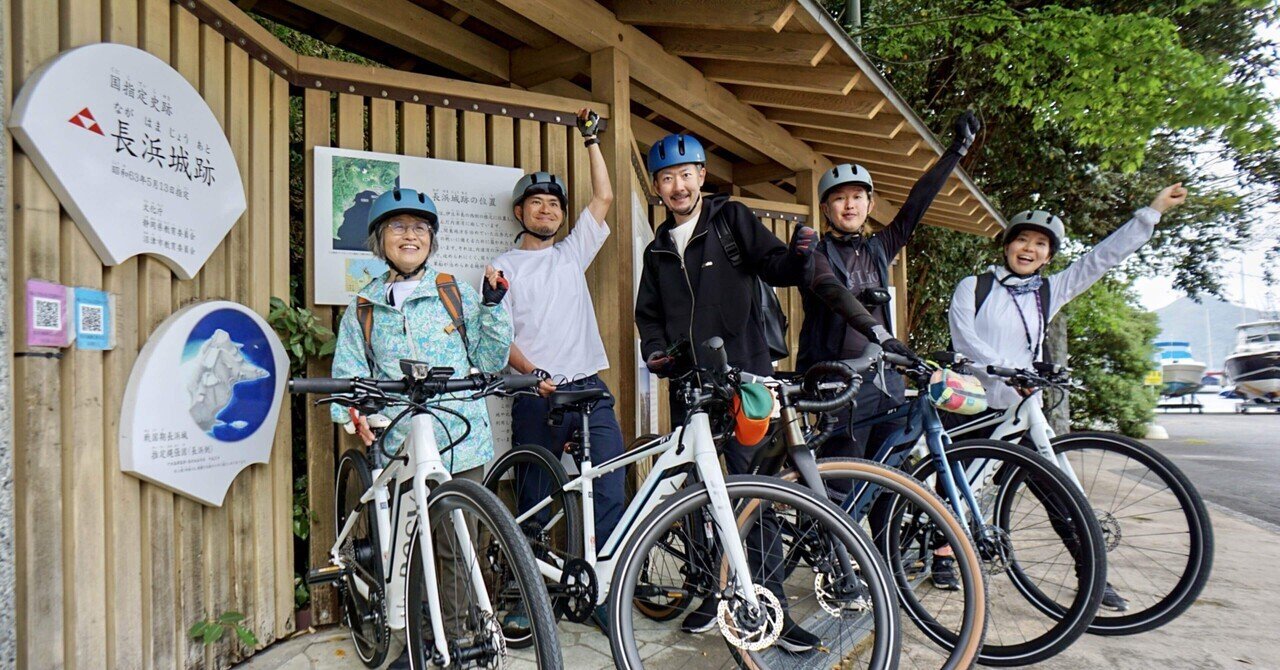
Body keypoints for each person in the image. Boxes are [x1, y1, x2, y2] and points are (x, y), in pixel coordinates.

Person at [948, 182, 1189, 606]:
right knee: (952, 494)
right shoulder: (975, 286)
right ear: (1006, 246)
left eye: (1040, 244)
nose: (1029, 248)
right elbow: (965, 341)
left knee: (1061, 498)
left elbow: (1100, 261)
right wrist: (1005, 372)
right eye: (1022, 239)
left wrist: (1152, 212)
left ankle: (1094, 579)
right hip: (972, 406)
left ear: (1049, 256)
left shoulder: (1048, 291)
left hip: (1023, 414)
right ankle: (941, 558)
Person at [634, 133, 821, 649]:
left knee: (751, 495)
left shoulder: (729, 220)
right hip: (692, 389)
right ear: (657, 187)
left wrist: (801, 258)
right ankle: (710, 598)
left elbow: (774, 264)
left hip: (745, 380)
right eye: (667, 178)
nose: (678, 186)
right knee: (699, 497)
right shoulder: (656, 249)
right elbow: (647, 314)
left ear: (702, 176)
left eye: (686, 174)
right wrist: (657, 351)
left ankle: (773, 605)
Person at [329, 187, 513, 668]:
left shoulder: (454, 292)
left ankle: (458, 641)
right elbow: (350, 375)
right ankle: (411, 634)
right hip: (397, 444)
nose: (410, 235)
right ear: (379, 240)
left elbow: (490, 359)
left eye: (419, 228)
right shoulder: (364, 307)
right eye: (398, 227)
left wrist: (493, 306)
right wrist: (355, 414)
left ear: (431, 240)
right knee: (403, 546)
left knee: (456, 546)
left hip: (459, 438)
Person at [795, 111, 980, 589]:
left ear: (869, 203)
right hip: (840, 383)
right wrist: (879, 335)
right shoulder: (817, 254)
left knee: (886, 484)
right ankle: (832, 568)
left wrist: (955, 152)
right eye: (838, 199)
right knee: (840, 485)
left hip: (887, 381)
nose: (849, 204)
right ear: (827, 209)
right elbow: (834, 295)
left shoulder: (879, 249)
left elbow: (917, 204)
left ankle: (883, 571)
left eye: (857, 196)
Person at [490, 108, 623, 634]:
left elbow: (605, 198)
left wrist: (590, 140)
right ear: (520, 212)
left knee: (608, 489)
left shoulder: (573, 253)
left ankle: (607, 588)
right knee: (536, 498)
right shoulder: (503, 266)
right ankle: (532, 595)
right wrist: (534, 372)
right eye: (536, 203)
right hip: (535, 393)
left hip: (589, 388)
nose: (546, 210)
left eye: (553, 204)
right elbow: (499, 339)